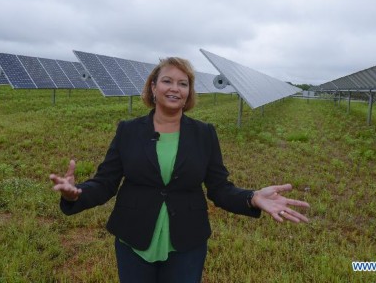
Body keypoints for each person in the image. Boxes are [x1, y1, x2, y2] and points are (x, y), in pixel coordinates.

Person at [50, 57, 310, 283]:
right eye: (167, 81)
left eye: (183, 83)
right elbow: (106, 183)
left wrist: (252, 197)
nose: (175, 88)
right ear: (153, 87)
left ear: (189, 92)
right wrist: (78, 193)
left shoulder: (204, 134)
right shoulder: (128, 130)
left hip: (187, 241)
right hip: (134, 238)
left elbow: (219, 189)